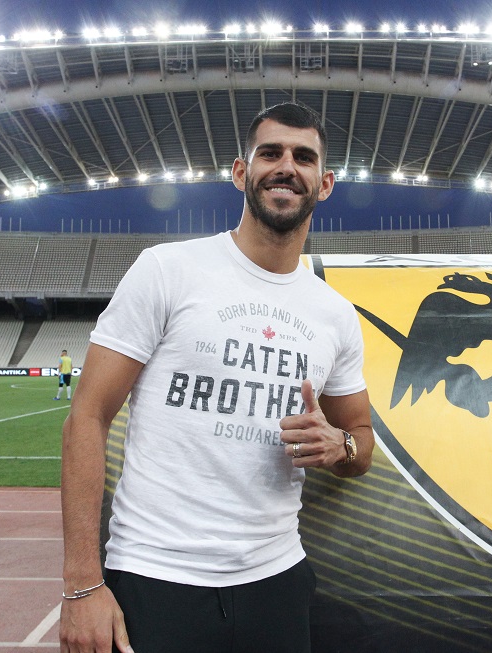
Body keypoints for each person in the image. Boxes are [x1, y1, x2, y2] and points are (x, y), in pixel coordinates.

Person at [60, 102, 373, 653]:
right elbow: (87, 416)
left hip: (276, 580)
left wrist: (339, 444)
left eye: (304, 158)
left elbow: (362, 440)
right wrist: (82, 584)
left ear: (324, 184)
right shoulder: (167, 270)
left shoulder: (335, 315)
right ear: (240, 172)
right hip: (155, 575)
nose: (286, 166)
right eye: (270, 153)